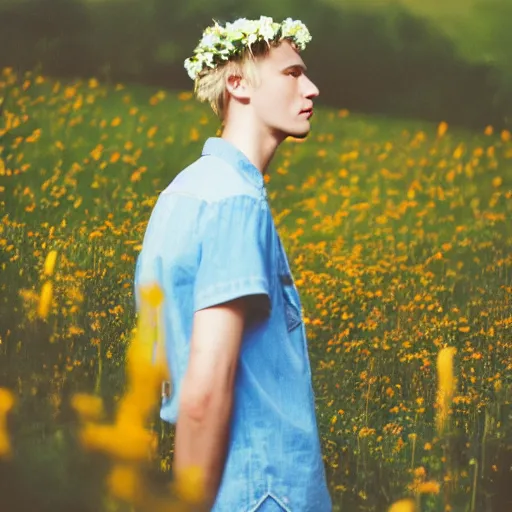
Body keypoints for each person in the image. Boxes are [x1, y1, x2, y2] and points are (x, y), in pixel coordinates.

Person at [134, 15, 332, 512]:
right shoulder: (236, 203)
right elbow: (204, 387)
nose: (311, 87)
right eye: (292, 73)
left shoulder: (182, 193)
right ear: (238, 84)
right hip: (261, 491)